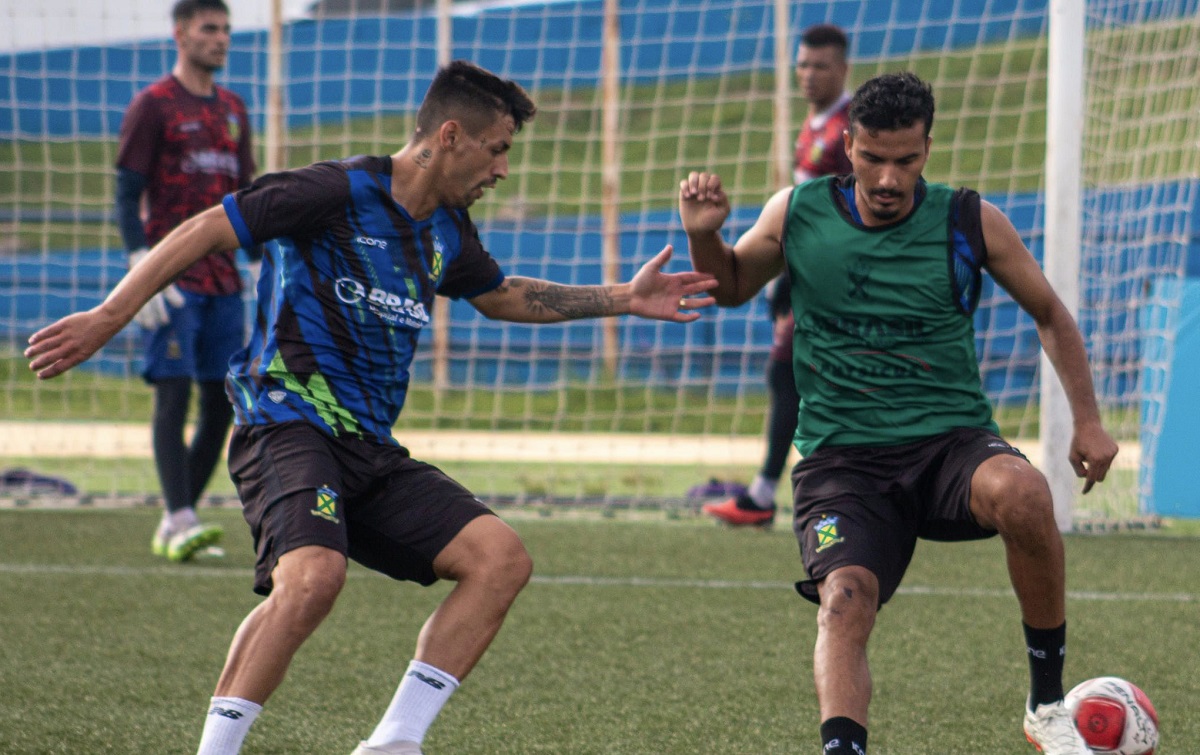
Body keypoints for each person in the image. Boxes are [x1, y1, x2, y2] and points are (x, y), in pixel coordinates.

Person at [28, 59, 717, 755]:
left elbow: (501, 294)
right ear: (451, 135)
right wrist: (107, 316)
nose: (504, 169)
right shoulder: (335, 190)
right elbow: (208, 227)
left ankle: (393, 743)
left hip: (369, 447)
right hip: (284, 420)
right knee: (313, 578)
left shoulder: (448, 228)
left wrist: (624, 298)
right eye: (499, 148)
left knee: (500, 557)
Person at [678, 72, 1117, 754]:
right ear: (847, 145)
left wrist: (1088, 420)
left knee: (1026, 494)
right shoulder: (797, 211)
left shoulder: (969, 219)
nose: (888, 178)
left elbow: (1050, 313)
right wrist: (706, 238)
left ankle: (1047, 702)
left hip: (950, 447)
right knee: (844, 601)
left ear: (927, 150)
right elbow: (731, 285)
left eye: (906, 160)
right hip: (842, 463)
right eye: (872, 157)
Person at [115, 0, 259, 562]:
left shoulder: (233, 108)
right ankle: (177, 519)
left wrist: (254, 264)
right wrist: (138, 263)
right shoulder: (153, 106)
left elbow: (245, 195)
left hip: (224, 280)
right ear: (180, 34)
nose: (220, 38)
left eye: (226, 29)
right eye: (209, 28)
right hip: (172, 274)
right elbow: (127, 192)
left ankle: (183, 514)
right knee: (172, 393)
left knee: (223, 401)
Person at [702, 23, 853, 527]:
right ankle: (779, 491)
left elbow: (840, 211)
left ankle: (776, 493)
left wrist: (789, 276)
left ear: (844, 69)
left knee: (795, 372)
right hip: (806, 272)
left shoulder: (850, 127)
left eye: (821, 66)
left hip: (836, 278)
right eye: (803, 64)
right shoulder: (815, 124)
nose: (809, 75)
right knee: (793, 372)